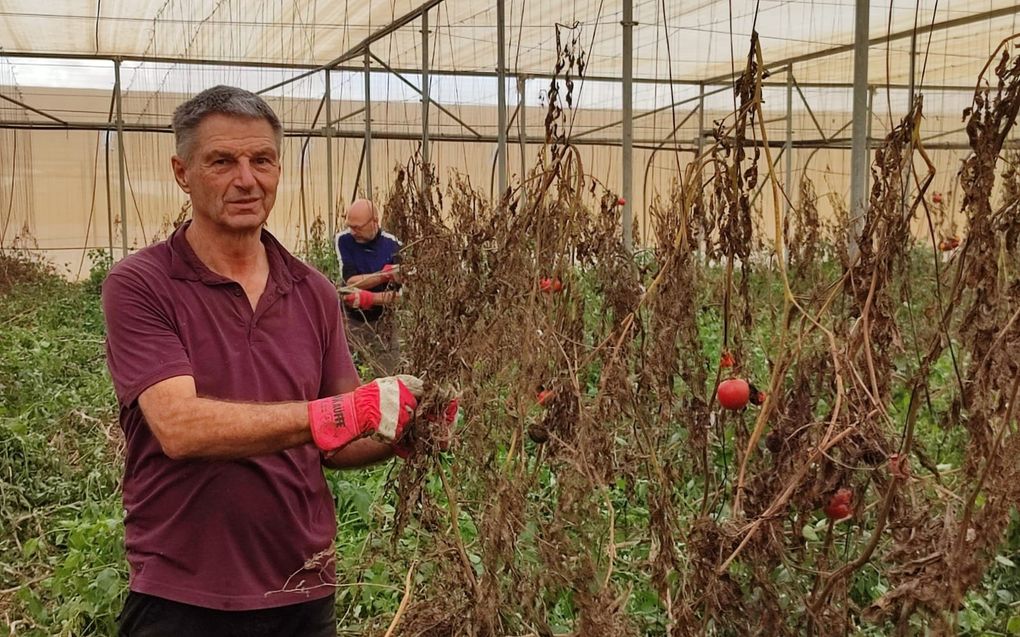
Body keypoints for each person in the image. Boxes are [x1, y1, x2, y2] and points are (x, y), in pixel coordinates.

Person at [101, 85, 429, 635]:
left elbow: (339, 441)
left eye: (262, 160)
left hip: (300, 587)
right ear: (183, 172)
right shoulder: (141, 285)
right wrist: (337, 414)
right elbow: (179, 427)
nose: (246, 179)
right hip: (182, 592)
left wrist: (402, 428)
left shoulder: (313, 291)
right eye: (222, 161)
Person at [335, 198, 403, 375]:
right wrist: (383, 275)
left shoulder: (393, 245)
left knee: (387, 374)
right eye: (350, 226)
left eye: (358, 227)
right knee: (349, 372)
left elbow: (400, 295)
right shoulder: (344, 240)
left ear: (374, 222)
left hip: (384, 323)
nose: (353, 231)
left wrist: (370, 298)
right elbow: (351, 281)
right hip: (352, 320)